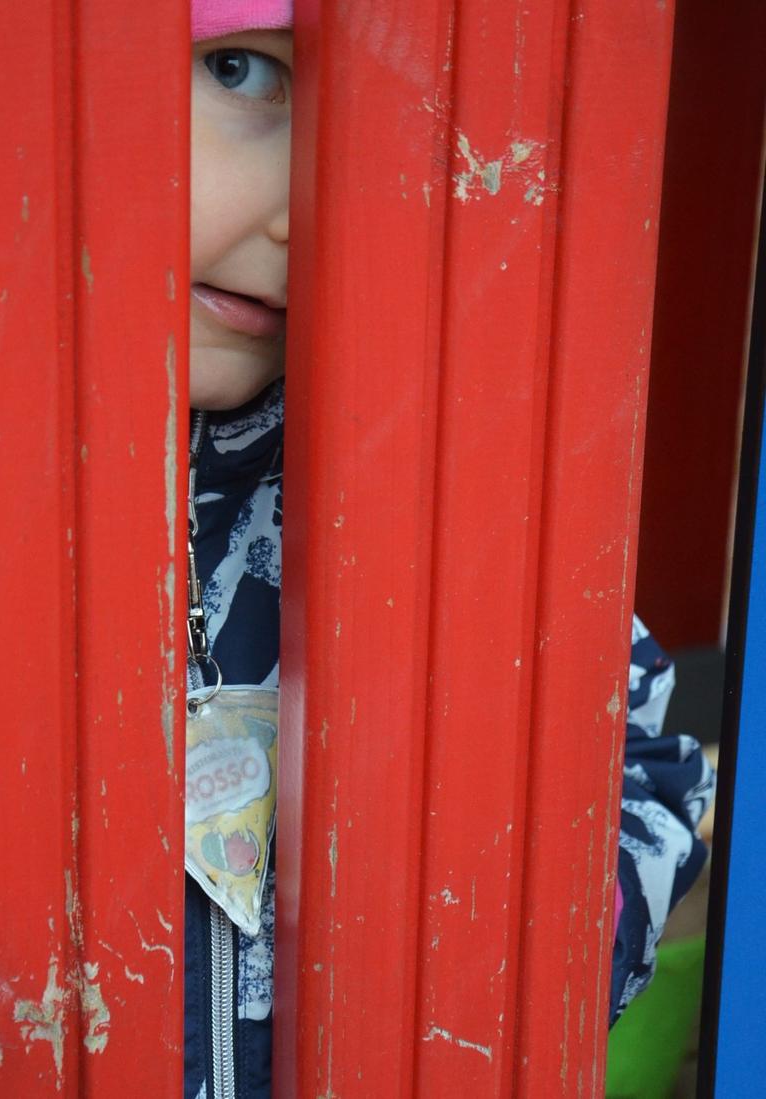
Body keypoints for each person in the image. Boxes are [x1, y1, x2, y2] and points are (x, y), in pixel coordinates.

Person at [182, 4, 714, 1097]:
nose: (301, 210)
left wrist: (535, 944)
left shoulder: (439, 454)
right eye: (241, 72)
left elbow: (640, 762)